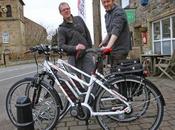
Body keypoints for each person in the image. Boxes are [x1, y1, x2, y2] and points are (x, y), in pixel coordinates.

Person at [57, 2, 95, 80]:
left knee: (90, 79)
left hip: (86, 54)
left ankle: (92, 92)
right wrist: (75, 48)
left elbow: (87, 34)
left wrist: (90, 50)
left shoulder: (79, 19)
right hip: (73, 58)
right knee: (76, 82)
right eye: (64, 10)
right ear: (61, 13)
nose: (66, 11)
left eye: (68, 9)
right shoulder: (61, 28)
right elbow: (61, 45)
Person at [100, 0, 131, 68]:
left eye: (108, 1)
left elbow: (116, 30)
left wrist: (108, 46)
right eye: (103, 2)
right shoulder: (107, 15)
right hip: (113, 49)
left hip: (120, 49)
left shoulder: (119, 12)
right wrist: (103, 43)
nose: (106, 4)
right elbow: (109, 33)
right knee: (113, 72)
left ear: (113, 1)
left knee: (118, 73)